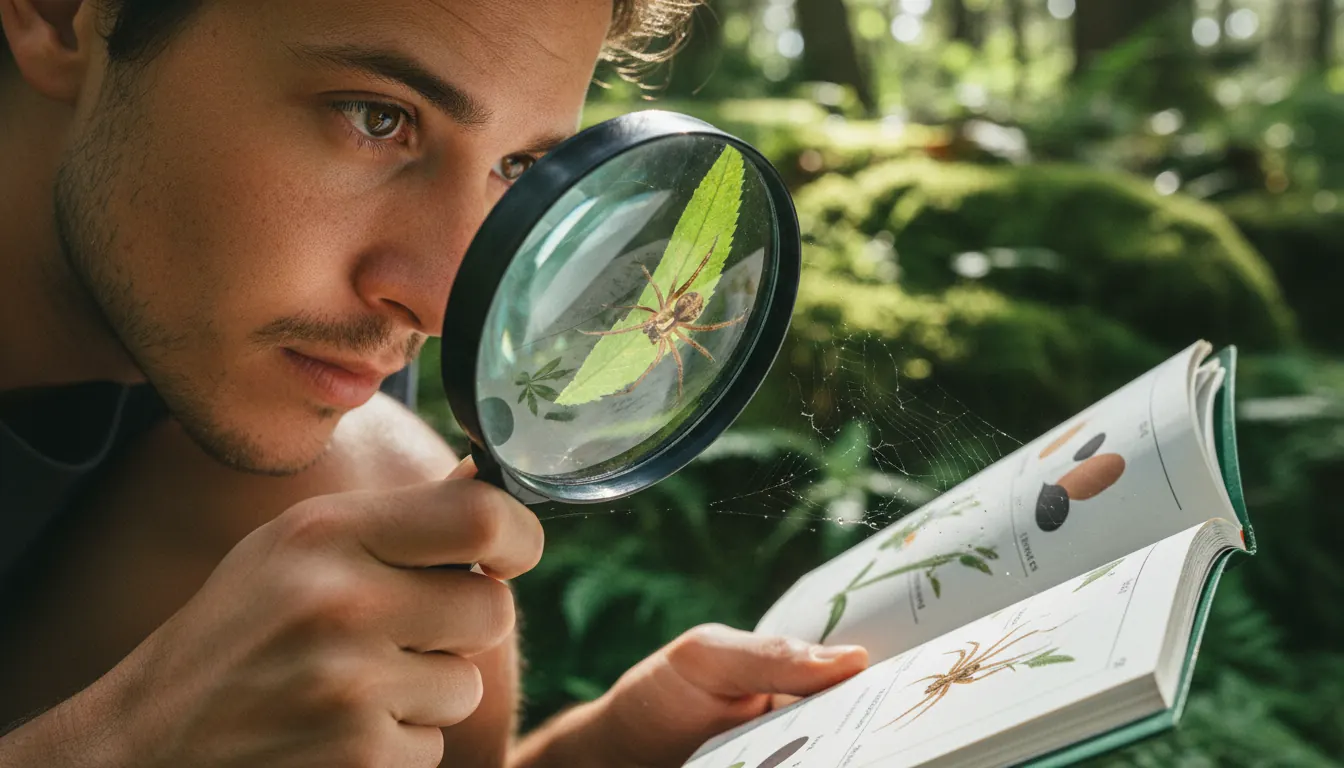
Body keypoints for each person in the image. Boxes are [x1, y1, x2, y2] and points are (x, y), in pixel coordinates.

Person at [0, 1, 870, 766]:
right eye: (377, 118)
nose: (442, 302)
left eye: (521, 168)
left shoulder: (309, 379)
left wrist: (604, 756)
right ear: (61, 12)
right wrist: (121, 745)